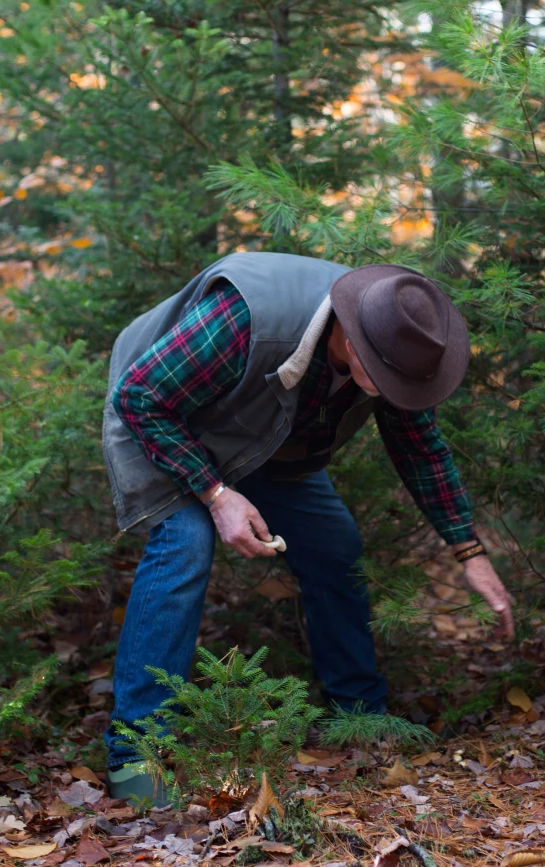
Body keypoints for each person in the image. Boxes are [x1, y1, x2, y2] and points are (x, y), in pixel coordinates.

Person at [101, 252, 515, 802]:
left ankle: (359, 716)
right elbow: (141, 397)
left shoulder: (396, 342)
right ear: (352, 336)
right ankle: (135, 754)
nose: (393, 392)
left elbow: (421, 451)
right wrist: (217, 494)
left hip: (259, 438)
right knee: (186, 544)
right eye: (384, 379)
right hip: (160, 417)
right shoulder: (248, 316)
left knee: (335, 545)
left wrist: (470, 551)